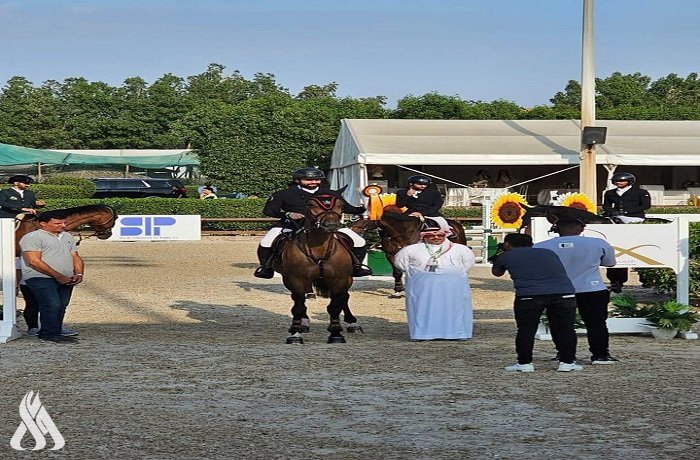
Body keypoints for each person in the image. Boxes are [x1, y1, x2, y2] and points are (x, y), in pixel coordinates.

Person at [253, 167, 372, 279]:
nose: (313, 182)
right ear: (297, 180)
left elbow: (348, 209)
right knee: (266, 242)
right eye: (308, 180)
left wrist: (366, 204)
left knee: (359, 241)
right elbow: (269, 211)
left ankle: (357, 267)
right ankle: (266, 268)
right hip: (292, 224)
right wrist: (287, 214)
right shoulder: (284, 194)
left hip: (327, 225)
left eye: (316, 179)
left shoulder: (330, 193)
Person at [491, 233, 581, 372]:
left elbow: (497, 273)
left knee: (526, 330)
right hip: (563, 292)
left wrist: (499, 255)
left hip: (529, 295)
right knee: (565, 329)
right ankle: (567, 362)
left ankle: (525, 363)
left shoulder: (506, 255)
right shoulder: (548, 252)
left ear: (507, 244)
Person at [534, 218, 619, 365]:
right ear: (581, 228)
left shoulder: (541, 246)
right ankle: (600, 355)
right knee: (596, 323)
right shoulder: (598, 243)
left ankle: (564, 354)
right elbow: (610, 263)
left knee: (560, 324)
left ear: (556, 229)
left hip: (558, 289)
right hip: (591, 288)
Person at [394, 221, 476, 341]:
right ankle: (422, 334)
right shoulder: (410, 250)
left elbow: (468, 263)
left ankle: (456, 333)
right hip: (422, 288)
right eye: (431, 235)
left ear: (445, 235)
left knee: (455, 308)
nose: (436, 237)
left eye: (440, 235)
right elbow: (401, 264)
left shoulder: (460, 249)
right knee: (422, 308)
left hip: (453, 287)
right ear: (424, 236)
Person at [20, 211, 84, 343]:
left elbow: (75, 257)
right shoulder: (32, 237)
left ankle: (53, 330)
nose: (63, 225)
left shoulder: (67, 236)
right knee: (51, 303)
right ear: (43, 224)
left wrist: (78, 273)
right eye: (58, 223)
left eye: (64, 222)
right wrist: (58, 276)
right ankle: (50, 333)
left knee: (61, 304)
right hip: (39, 276)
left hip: (66, 276)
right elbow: (33, 261)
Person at [602, 172, 651, 293]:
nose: (619, 183)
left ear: (629, 182)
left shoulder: (640, 192)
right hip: (617, 219)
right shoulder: (610, 193)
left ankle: (646, 279)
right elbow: (606, 206)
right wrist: (613, 212)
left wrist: (627, 212)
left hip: (635, 218)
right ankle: (616, 281)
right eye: (617, 181)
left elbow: (646, 205)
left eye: (622, 181)